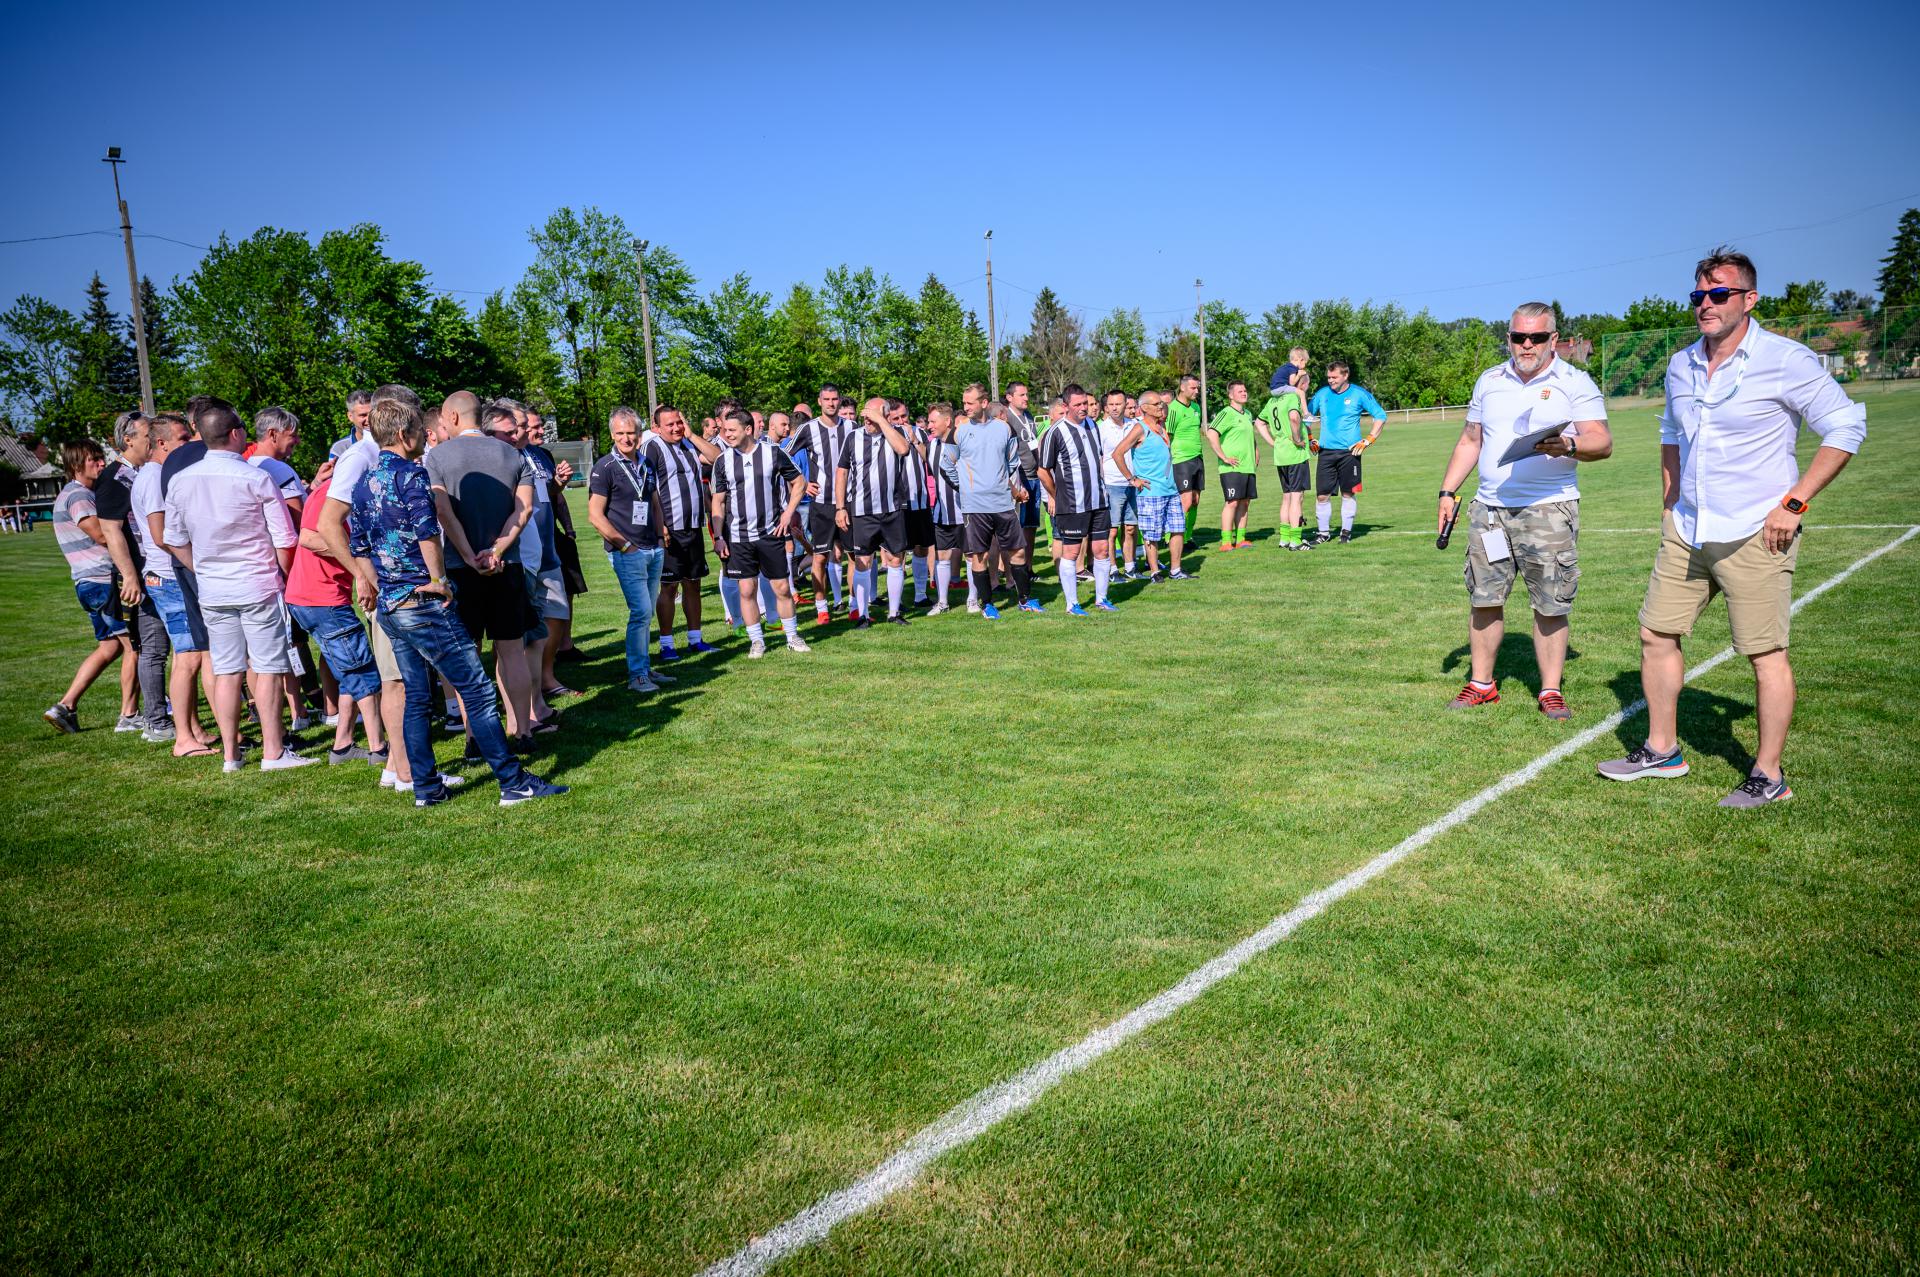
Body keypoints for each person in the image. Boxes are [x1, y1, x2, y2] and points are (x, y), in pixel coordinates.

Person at [1598, 248, 1868, 807]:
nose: (1706, 303)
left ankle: (1768, 775)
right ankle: (1662, 750)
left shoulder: (1785, 359)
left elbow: (1845, 426)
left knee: (1764, 653)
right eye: (1699, 295)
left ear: (1749, 299)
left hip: (1757, 530)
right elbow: (1670, 433)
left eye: (1719, 293)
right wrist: (1669, 502)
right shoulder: (1681, 364)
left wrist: (1793, 504)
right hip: (1688, 528)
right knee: (1656, 635)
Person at [345, 395, 565, 808]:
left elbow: (357, 544)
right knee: (478, 689)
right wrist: (439, 581)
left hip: (392, 603)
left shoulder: (364, 482)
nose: (424, 436)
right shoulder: (412, 476)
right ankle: (512, 782)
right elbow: (428, 532)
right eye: (417, 430)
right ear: (403, 434)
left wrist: (378, 584)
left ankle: (426, 787)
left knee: (417, 696)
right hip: (424, 601)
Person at [1438, 301, 1612, 720]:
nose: (1527, 345)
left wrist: (1568, 444)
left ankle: (1550, 690)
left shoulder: (1575, 382)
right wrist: (1447, 491)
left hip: (1548, 511)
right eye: (1519, 337)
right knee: (1484, 597)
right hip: (1490, 512)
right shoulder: (1489, 380)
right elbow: (1471, 440)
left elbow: (1602, 441)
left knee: (1550, 603)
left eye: (1536, 337)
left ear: (1554, 339)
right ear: (1509, 338)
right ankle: (1482, 684)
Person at [162, 398, 312, 773]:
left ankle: (232, 754)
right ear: (234, 434)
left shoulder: (181, 480)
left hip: (214, 588)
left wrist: (202, 568)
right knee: (268, 667)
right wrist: (281, 576)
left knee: (227, 670)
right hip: (257, 583)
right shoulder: (255, 477)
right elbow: (285, 539)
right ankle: (273, 751)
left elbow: (173, 539)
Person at [422, 399, 538, 748]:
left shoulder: (437, 457)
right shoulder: (514, 454)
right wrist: (497, 550)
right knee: (512, 652)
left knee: (467, 656)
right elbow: (524, 509)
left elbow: (442, 511)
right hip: (506, 566)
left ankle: (476, 737)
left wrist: (469, 556)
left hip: (461, 569)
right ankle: (523, 731)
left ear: (453, 416)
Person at [286, 430, 391, 767]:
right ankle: (378, 747)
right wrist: (360, 567)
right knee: (364, 671)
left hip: (321, 596)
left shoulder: (341, 492)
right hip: (320, 597)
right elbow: (308, 537)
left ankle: (343, 744)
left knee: (350, 670)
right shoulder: (328, 493)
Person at [43, 440, 136, 734]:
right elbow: (101, 534)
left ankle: (65, 706)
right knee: (135, 646)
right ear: (75, 465)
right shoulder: (79, 496)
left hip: (87, 582)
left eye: (100, 457)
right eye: (93, 459)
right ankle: (129, 715)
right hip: (101, 580)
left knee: (110, 647)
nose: (101, 463)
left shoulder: (74, 494)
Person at [134, 414, 213, 753]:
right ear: (161, 443)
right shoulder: (154, 477)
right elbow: (161, 535)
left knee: (190, 655)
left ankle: (194, 729)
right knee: (189, 657)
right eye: (182, 438)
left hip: (168, 575)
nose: (188, 444)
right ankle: (183, 737)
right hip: (168, 577)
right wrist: (197, 562)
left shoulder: (156, 474)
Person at [711, 408, 811, 657]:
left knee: (782, 588)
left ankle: (792, 636)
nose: (727, 434)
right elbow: (718, 502)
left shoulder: (773, 453)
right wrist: (719, 537)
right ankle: (757, 641)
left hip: (770, 533)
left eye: (732, 430)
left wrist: (788, 513)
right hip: (738, 537)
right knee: (747, 590)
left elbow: (799, 482)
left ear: (748, 429)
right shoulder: (722, 461)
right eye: (725, 430)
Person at [588, 406, 670, 691]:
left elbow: (654, 502)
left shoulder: (646, 463)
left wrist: (660, 537)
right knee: (641, 612)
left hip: (652, 548)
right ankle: (637, 675)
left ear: (640, 434)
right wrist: (624, 545)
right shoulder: (605, 467)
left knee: (647, 613)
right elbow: (595, 515)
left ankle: (645, 668)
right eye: (620, 433)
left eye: (631, 433)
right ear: (612, 434)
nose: (626, 438)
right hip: (626, 551)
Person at [93, 411, 160, 733]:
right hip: (140, 572)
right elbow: (111, 530)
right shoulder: (114, 478)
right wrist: (130, 576)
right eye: (148, 436)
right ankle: (147, 716)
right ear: (128, 439)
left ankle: (150, 713)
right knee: (149, 646)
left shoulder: (141, 472)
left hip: (151, 567)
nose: (153, 441)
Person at [642, 404, 722, 659]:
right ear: (657, 428)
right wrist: (660, 524)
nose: (676, 427)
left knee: (693, 584)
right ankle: (666, 644)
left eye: (679, 422)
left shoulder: (688, 444)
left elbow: (718, 457)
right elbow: (647, 489)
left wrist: (692, 435)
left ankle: (695, 640)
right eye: (670, 424)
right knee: (668, 587)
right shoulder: (652, 448)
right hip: (669, 530)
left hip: (693, 526)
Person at [939, 400, 1033, 618]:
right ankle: (987, 603)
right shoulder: (959, 431)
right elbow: (946, 466)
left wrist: (1000, 483)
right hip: (975, 506)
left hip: (1002, 502)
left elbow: (1012, 461)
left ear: (983, 403)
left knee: (1018, 550)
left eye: (970, 402)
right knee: (979, 554)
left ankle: (1025, 600)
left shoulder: (1004, 428)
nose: (966, 407)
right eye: (964, 403)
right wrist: (966, 488)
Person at [834, 396, 915, 627]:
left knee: (895, 559)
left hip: (892, 509)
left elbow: (903, 449)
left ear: (885, 415)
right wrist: (840, 507)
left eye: (873, 415)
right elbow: (842, 473)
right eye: (866, 415)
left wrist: (881, 421)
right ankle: (863, 615)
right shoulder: (853, 438)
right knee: (862, 561)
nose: (867, 420)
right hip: (863, 511)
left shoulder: (895, 433)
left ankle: (894, 613)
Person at [1038, 384, 1116, 614]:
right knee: (1071, 553)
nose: (1084, 408)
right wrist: (1057, 495)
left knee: (1102, 550)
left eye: (1086, 403)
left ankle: (1102, 599)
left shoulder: (1092, 425)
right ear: (1065, 406)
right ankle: (1072, 604)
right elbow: (1043, 471)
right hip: (1072, 504)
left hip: (1099, 501)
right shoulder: (1056, 432)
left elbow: (1097, 459)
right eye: (1078, 404)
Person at [789, 384, 850, 623]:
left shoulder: (852, 428)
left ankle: (855, 607)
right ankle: (822, 608)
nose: (831, 403)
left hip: (848, 502)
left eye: (835, 399)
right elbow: (783, 455)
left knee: (854, 556)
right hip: (822, 504)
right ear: (819, 401)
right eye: (827, 399)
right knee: (820, 556)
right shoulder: (808, 428)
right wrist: (802, 483)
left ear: (839, 401)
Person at [1308, 361, 1388, 544]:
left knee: (1348, 493)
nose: (1330, 381)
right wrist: (1310, 437)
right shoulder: (1322, 394)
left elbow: (1380, 416)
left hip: (1350, 454)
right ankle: (1323, 534)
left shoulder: (1359, 394)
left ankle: (1346, 533)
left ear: (1345, 376)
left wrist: (1368, 439)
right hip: (1325, 453)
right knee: (1322, 495)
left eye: (1334, 377)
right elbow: (1306, 417)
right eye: (1329, 377)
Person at [1113, 391, 1189, 580]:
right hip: (1151, 492)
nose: (1160, 406)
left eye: (1161, 403)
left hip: (1171, 489)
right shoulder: (1140, 429)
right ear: (1144, 408)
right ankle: (1155, 572)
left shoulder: (1162, 426)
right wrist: (1132, 479)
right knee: (1152, 535)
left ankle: (1176, 570)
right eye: (1156, 404)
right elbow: (1117, 453)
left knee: (1178, 529)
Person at [1257, 371, 1313, 550]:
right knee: (1297, 497)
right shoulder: (1293, 397)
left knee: (1287, 497)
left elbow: (1259, 423)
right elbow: (1294, 418)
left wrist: (1273, 442)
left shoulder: (1272, 401)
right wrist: (1297, 439)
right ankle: (1296, 541)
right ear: (1302, 385)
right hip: (1294, 454)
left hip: (1280, 454)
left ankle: (1284, 538)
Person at [1205, 379, 1259, 551]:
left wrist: (1256, 453)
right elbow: (1211, 433)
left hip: (1248, 466)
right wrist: (1224, 457)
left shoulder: (1248, 414)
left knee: (1245, 503)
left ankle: (1241, 539)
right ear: (1230, 395)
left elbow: (1250, 438)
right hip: (1231, 468)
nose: (1244, 393)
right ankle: (1226, 541)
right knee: (1232, 502)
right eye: (1239, 391)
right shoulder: (1226, 413)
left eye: (1245, 390)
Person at [924, 403, 967, 614]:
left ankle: (973, 600)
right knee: (942, 557)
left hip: (965, 511)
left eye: (933, 421)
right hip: (941, 512)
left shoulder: (962, 442)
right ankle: (942, 603)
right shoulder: (932, 445)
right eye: (929, 422)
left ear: (947, 421)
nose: (929, 426)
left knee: (973, 556)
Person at [893, 399, 936, 606]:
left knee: (922, 547)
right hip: (898, 502)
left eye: (904, 416)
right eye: (896, 418)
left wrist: (915, 440)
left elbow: (930, 459)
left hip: (921, 499)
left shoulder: (919, 432)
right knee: (898, 551)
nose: (901, 421)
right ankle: (897, 600)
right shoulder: (887, 434)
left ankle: (920, 594)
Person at [1096, 390, 1141, 578]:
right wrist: (1101, 484)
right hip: (1112, 484)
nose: (1115, 408)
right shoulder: (1101, 429)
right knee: (1112, 530)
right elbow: (1098, 458)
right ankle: (1112, 569)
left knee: (1130, 528)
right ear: (1106, 407)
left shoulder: (1134, 425)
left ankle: (1130, 567)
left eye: (1118, 404)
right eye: (1111, 405)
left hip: (1133, 483)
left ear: (1125, 405)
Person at [1167, 373, 1206, 539]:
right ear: (1182, 388)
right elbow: (1167, 436)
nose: (1196, 391)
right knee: (1186, 502)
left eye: (1198, 388)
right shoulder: (1173, 409)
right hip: (1181, 460)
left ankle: (1188, 537)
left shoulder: (1196, 408)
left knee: (1195, 501)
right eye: (1193, 388)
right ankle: (1172, 538)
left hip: (1198, 458)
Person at [328, 389, 375, 460]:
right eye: (363, 415)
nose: (369, 419)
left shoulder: (389, 443)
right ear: (350, 416)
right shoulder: (340, 448)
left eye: (373, 414)